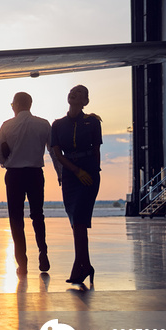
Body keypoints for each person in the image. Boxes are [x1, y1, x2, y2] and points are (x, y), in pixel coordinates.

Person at [0, 92, 57, 276]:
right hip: (35, 173)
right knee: (38, 215)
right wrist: (60, 174)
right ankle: (43, 252)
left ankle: (22, 262)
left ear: (15, 105)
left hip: (14, 175)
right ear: (30, 104)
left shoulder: (7, 125)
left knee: (16, 219)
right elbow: (53, 151)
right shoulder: (43, 124)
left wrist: (7, 162)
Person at [50, 85, 102, 285]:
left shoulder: (93, 122)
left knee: (80, 220)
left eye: (80, 93)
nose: (74, 93)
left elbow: (96, 150)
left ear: (85, 102)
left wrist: (91, 173)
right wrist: (75, 171)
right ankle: (86, 265)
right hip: (71, 176)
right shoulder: (58, 124)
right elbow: (57, 154)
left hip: (88, 175)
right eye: (72, 91)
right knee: (76, 223)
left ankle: (79, 264)